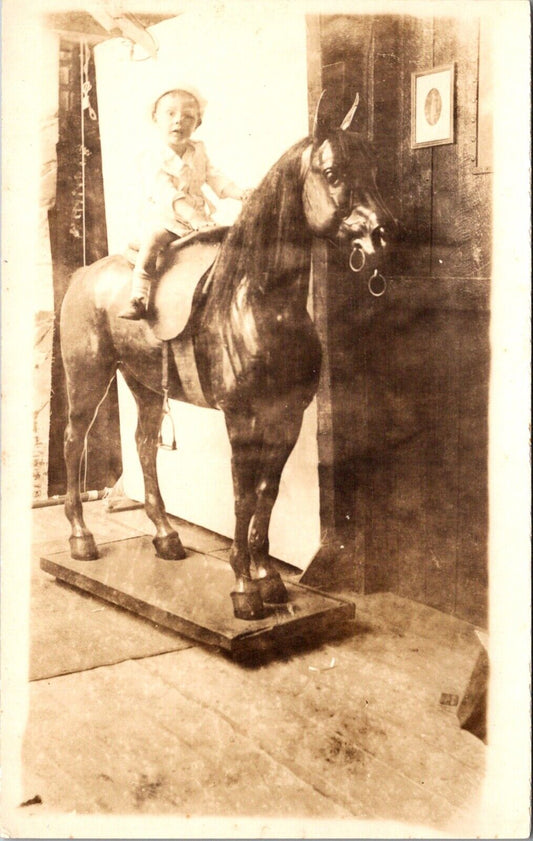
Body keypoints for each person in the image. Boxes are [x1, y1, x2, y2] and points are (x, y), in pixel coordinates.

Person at [119, 85, 247, 320]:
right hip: (165, 218)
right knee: (153, 241)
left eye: (188, 116)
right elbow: (166, 193)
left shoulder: (198, 150)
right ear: (156, 118)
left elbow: (214, 176)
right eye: (170, 114)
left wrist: (240, 193)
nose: (179, 121)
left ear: (198, 123)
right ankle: (138, 296)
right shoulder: (151, 157)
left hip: (198, 220)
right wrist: (193, 217)